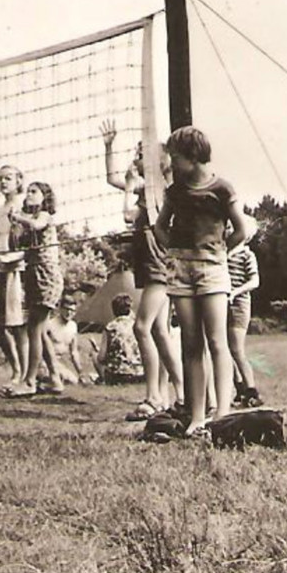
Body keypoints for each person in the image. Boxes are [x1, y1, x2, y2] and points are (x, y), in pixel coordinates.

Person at [153, 125, 249, 437]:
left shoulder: (222, 188)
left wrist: (220, 252)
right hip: (181, 270)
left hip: (212, 270)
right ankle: (197, 416)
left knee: (218, 341)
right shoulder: (175, 191)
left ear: (193, 157)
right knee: (190, 344)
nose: (171, 164)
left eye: (175, 158)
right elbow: (160, 227)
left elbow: (241, 230)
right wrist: (173, 250)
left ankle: (222, 413)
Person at [100, 119, 184, 422]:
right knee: (160, 331)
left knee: (141, 327)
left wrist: (131, 187)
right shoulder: (143, 189)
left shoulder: (159, 191)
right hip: (150, 265)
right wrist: (109, 146)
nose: (134, 157)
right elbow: (112, 178)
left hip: (161, 266)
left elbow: (126, 215)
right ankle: (165, 396)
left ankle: (163, 395)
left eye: (140, 152)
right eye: (135, 151)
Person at [15, 180, 64, 396]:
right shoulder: (28, 221)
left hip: (46, 275)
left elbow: (36, 225)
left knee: (34, 328)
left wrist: (17, 216)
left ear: (45, 197)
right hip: (33, 275)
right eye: (27, 192)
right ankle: (55, 378)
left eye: (34, 192)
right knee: (40, 330)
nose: (29, 195)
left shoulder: (44, 216)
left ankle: (29, 381)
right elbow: (16, 243)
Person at [0, 166, 29, 397]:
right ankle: (16, 369)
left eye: (8, 178)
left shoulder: (23, 204)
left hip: (18, 269)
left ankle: (23, 377)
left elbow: (29, 243)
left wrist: (12, 259)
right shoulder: (0, 209)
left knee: (18, 325)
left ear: (18, 180)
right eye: (0, 178)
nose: (3, 182)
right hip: (0, 269)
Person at [225, 214, 261, 408]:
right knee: (225, 349)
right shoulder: (223, 254)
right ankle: (239, 388)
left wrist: (236, 292)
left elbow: (255, 281)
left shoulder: (247, 255)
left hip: (239, 306)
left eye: (233, 227)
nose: (229, 230)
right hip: (223, 305)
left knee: (237, 349)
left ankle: (252, 390)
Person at [41, 291, 94, 386]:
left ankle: (49, 381)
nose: (69, 313)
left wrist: (81, 372)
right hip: (46, 363)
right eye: (66, 309)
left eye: (72, 311)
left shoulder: (73, 326)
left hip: (60, 364)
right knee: (71, 380)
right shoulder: (50, 324)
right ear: (60, 309)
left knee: (77, 379)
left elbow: (74, 352)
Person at [101, 293, 147, 387]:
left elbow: (101, 357)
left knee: (95, 355)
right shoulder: (138, 326)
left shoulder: (110, 327)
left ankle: (103, 379)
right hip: (139, 374)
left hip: (118, 375)